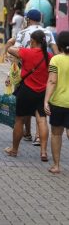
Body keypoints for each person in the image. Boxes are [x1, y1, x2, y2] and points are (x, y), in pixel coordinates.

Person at [5, 8, 59, 145]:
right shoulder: (48, 32)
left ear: (28, 19)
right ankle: (38, 137)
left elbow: (15, 55)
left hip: (26, 74)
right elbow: (56, 53)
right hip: (44, 73)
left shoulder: (22, 33)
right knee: (41, 111)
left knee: (23, 110)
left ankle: (27, 133)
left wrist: (10, 74)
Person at [6, 30, 52, 161]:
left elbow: (10, 50)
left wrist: (11, 42)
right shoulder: (49, 56)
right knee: (42, 120)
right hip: (42, 93)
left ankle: (14, 150)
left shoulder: (26, 52)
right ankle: (43, 152)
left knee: (19, 120)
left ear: (32, 41)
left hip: (26, 91)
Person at [44, 31, 69, 174]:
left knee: (56, 133)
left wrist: (46, 101)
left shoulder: (55, 60)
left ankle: (56, 165)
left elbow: (52, 81)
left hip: (59, 102)